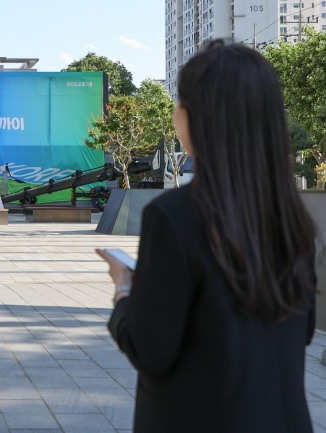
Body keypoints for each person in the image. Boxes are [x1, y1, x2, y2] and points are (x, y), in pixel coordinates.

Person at [97, 40, 317, 433]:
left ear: (194, 118)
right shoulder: (290, 216)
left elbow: (150, 350)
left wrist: (124, 290)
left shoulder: (174, 215)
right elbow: (298, 333)